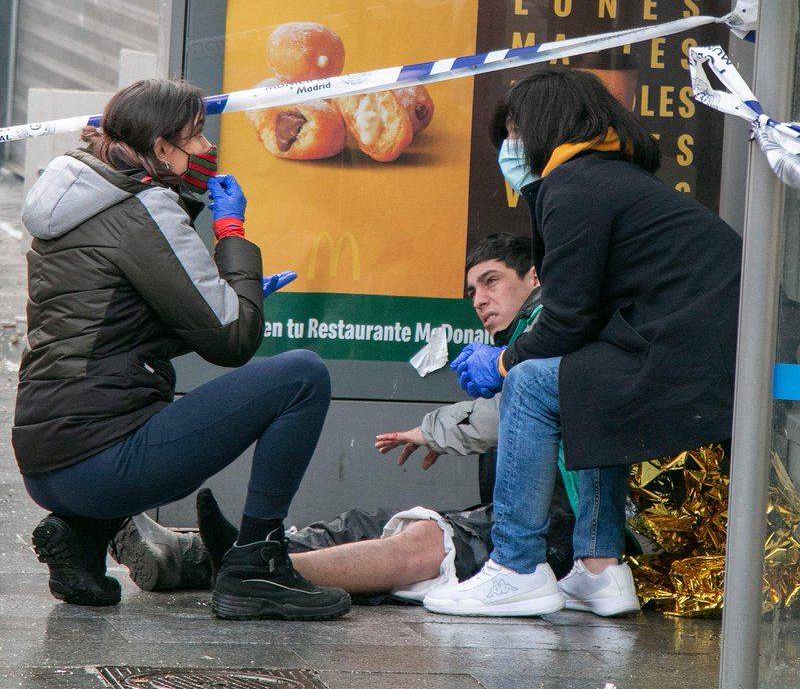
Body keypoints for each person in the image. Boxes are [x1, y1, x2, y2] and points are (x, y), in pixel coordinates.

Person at [12, 77, 350, 621]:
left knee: (141, 404)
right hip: (102, 460)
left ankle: (81, 535)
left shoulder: (76, 198)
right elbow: (233, 340)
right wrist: (231, 233)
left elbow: (122, 329)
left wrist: (228, 291)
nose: (207, 149)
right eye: (195, 137)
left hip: (46, 460)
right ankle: (256, 569)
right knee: (303, 376)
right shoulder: (142, 208)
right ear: (162, 148)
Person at [422, 65, 742, 618]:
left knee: (530, 381)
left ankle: (516, 567)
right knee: (578, 379)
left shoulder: (573, 185)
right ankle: (600, 571)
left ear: (546, 125)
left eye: (516, 132)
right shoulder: (607, 176)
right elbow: (585, 326)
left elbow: (567, 319)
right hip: (708, 350)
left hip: (696, 356)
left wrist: (502, 361)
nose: (511, 147)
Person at [109, 233, 578, 601]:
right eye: (472, 289)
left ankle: (244, 570)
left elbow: (518, 413)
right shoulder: (513, 349)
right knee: (369, 524)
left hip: (565, 533)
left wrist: (434, 429)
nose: (478, 299)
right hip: (521, 519)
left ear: (534, 279)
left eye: (491, 281)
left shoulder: (551, 333)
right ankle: (199, 556)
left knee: (422, 539)